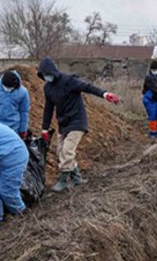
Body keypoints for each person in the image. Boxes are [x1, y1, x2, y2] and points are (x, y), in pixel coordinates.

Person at [36, 57, 120, 192]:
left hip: (77, 120)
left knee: (67, 150)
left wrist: (105, 94)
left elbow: (87, 87)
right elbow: (48, 109)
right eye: (44, 75)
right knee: (60, 152)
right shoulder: (48, 88)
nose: (46, 77)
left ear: (53, 71)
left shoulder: (69, 81)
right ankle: (76, 177)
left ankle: (63, 180)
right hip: (63, 123)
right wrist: (44, 129)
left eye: (48, 74)